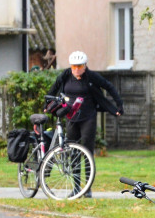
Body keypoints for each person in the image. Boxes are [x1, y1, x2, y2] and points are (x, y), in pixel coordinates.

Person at [47, 51, 123, 196]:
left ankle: (87, 188)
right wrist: (48, 103)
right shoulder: (65, 75)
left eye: (80, 66)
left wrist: (119, 105)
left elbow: (109, 87)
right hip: (71, 118)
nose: (76, 69)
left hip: (88, 117)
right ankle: (76, 188)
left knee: (87, 152)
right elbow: (54, 88)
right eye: (74, 66)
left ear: (85, 66)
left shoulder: (91, 76)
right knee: (73, 152)